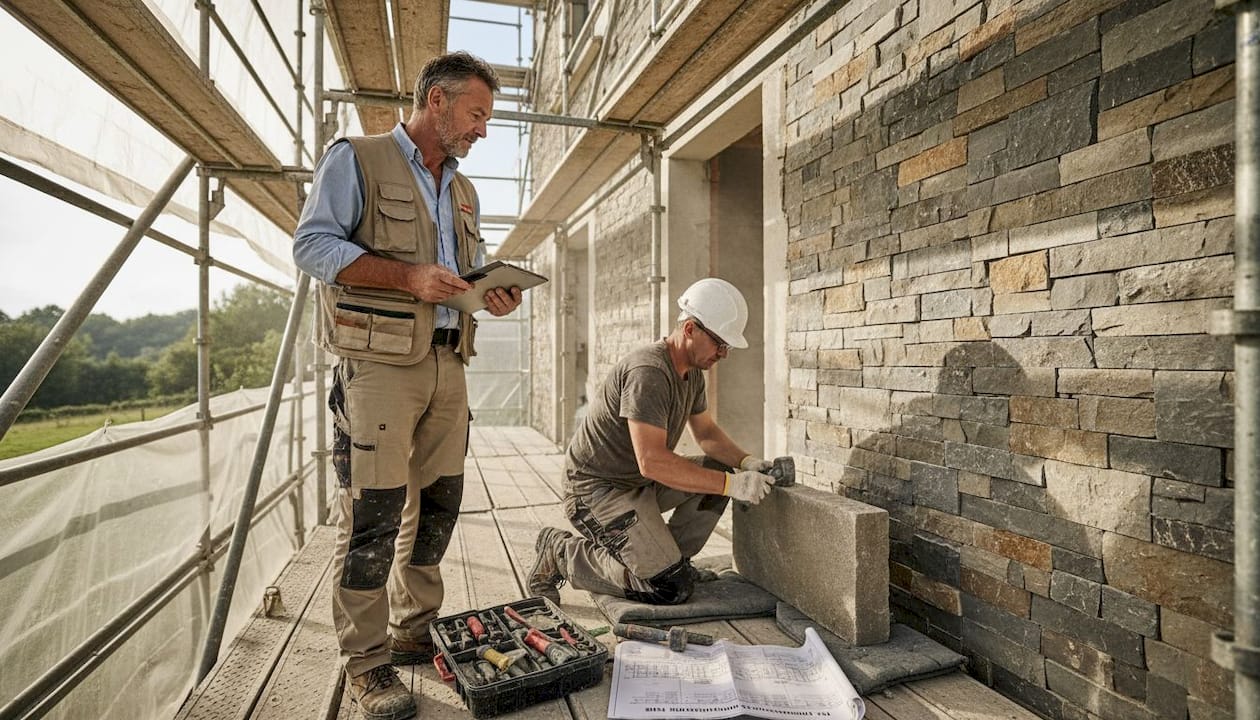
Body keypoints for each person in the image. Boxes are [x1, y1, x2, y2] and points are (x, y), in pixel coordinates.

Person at [293, 51, 521, 720]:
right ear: (437, 102)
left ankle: (413, 628)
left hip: (451, 361)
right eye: (477, 114)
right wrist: (407, 278)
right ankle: (366, 664)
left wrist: (491, 293)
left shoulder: (463, 191)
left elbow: (466, 274)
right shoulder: (356, 159)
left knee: (439, 506)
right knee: (373, 513)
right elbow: (312, 247)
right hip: (382, 368)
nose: (483, 130)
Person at [529, 278, 776, 607]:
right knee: (668, 589)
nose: (724, 353)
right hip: (595, 491)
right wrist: (732, 485)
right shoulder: (649, 372)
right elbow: (653, 460)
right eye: (719, 343)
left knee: (719, 468)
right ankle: (561, 552)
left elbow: (706, 435)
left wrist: (747, 463)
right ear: (690, 328)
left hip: (640, 483)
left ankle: (670, 561)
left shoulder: (691, 373)